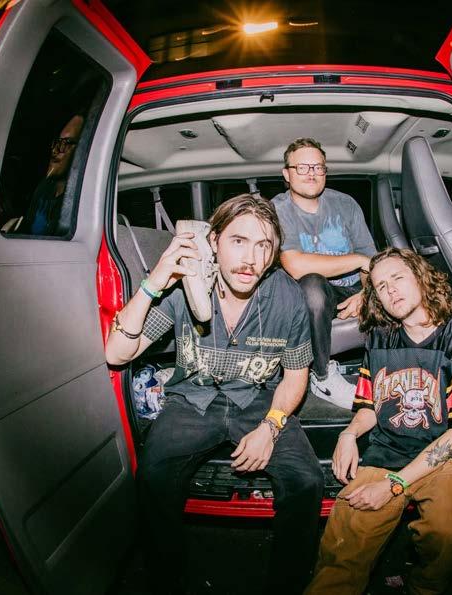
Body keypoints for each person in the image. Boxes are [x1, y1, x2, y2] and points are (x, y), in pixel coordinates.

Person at [105, 194, 324, 594]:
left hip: (259, 399)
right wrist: (154, 283)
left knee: (307, 480)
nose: (251, 259)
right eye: (239, 241)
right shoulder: (183, 288)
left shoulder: (287, 296)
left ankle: (287, 584)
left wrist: (270, 427)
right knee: (153, 475)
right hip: (193, 399)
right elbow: (117, 353)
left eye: (264, 245)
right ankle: (167, 580)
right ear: (214, 241)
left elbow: (296, 378)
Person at [306, 247, 452, 595]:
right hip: (388, 451)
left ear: (421, 277)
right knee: (345, 537)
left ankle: (422, 587)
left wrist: (394, 486)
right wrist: (348, 434)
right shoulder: (380, 336)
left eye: (397, 278)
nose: (390, 290)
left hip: (445, 459)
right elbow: (370, 406)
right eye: (380, 285)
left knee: (446, 532)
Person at [271, 138, 376, 409]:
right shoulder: (279, 209)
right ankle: (322, 376)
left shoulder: (345, 204)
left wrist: (367, 293)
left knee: (395, 284)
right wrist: (358, 260)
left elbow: (371, 260)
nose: (312, 174)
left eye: (318, 167)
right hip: (309, 297)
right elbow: (295, 265)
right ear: (287, 174)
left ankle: (392, 374)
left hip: (352, 290)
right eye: (303, 167)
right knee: (313, 285)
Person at [14, 114, 85, 235]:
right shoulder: (44, 187)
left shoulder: (81, 200)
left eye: (66, 143)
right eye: (57, 142)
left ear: (81, 150)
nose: (55, 150)